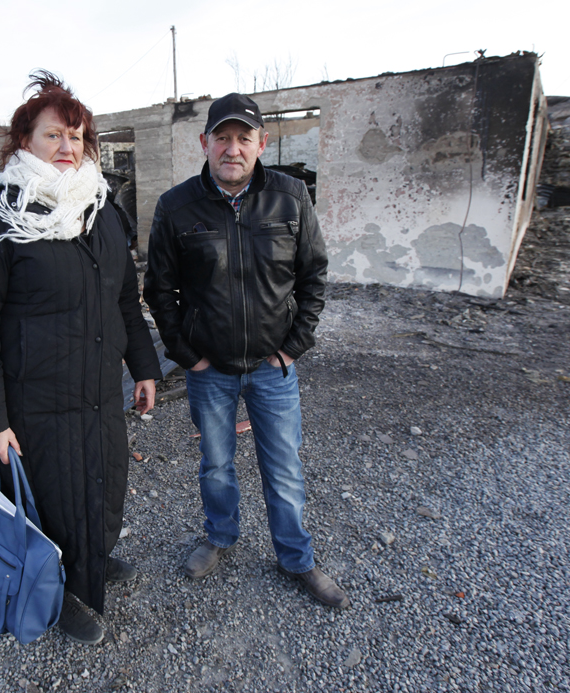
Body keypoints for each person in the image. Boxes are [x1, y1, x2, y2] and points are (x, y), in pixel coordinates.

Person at [0, 71, 163, 644]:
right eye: (53, 135)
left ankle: (91, 556)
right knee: (51, 497)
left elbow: (124, 299)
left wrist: (145, 367)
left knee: (103, 484)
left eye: (77, 136)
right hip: (35, 403)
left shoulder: (100, 212)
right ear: (24, 141)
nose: (68, 147)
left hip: (98, 393)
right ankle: (59, 588)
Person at [143, 92, 349, 609]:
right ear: (205, 142)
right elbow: (159, 291)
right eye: (222, 138)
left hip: (272, 367)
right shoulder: (176, 206)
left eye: (243, 138)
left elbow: (314, 275)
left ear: (261, 143)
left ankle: (296, 558)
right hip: (209, 370)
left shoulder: (290, 196)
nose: (232, 149)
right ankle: (220, 536)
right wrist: (188, 356)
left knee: (284, 468)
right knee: (215, 465)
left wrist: (293, 348)